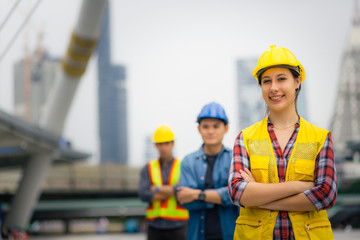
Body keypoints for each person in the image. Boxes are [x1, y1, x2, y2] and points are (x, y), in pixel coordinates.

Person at [228, 45, 338, 240]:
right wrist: (298, 186)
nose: (273, 88)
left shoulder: (320, 138)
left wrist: (260, 198)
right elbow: (238, 192)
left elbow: (326, 195)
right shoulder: (246, 138)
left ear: (298, 81)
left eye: (281, 79)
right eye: (266, 81)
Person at [177, 102, 239, 240]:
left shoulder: (235, 158)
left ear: (226, 128)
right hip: (197, 235)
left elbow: (238, 194)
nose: (210, 131)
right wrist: (221, 195)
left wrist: (197, 194)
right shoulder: (188, 161)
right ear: (199, 129)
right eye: (205, 126)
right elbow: (186, 200)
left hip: (231, 235)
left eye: (216, 126)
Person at [138, 125, 188, 240]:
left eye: (167, 143)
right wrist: (173, 190)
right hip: (155, 226)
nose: (163, 147)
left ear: (172, 144)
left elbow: (183, 190)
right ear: (155, 145)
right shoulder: (148, 167)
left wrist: (156, 188)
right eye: (160, 144)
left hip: (179, 226)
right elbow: (143, 194)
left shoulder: (182, 166)